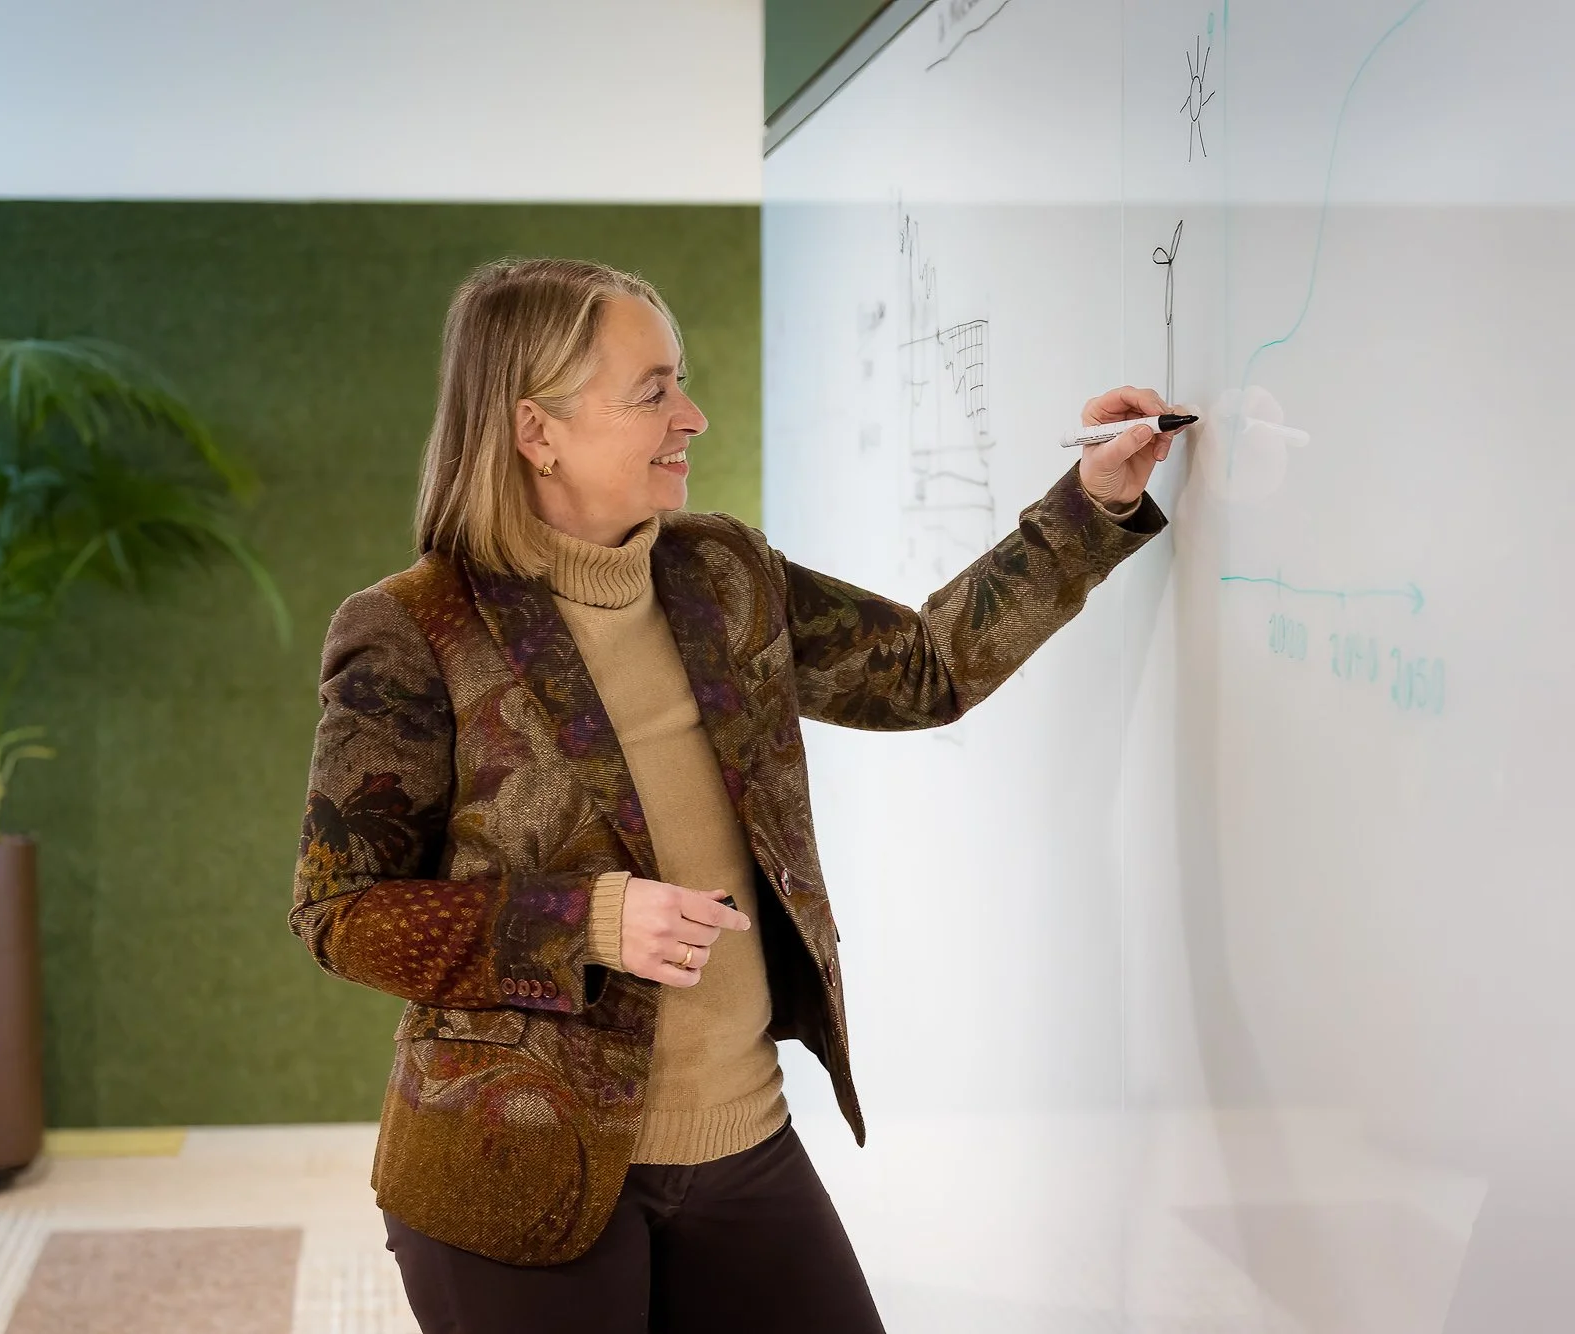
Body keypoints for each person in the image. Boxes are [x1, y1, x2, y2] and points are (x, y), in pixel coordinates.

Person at [289, 257, 1176, 1333]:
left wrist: (1090, 506)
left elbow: (922, 669)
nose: (689, 414)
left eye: (683, 381)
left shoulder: (722, 572)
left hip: (740, 1144)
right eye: (651, 389)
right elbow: (342, 912)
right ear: (537, 429)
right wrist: (589, 920)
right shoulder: (413, 627)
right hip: (511, 1165)